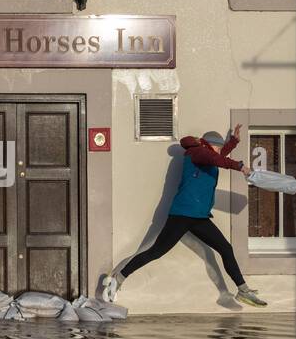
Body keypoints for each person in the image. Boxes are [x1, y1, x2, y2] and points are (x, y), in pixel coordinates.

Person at [103, 124, 267, 307]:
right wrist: (240, 166)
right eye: (219, 148)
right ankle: (119, 278)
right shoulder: (197, 152)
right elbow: (217, 158)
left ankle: (243, 290)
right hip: (182, 215)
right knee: (155, 251)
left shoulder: (208, 154)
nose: (220, 152)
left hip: (198, 216)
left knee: (225, 248)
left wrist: (233, 142)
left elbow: (218, 156)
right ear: (210, 145)